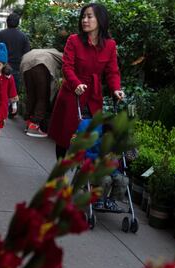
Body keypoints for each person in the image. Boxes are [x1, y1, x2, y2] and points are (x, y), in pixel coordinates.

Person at [48, 3, 125, 160]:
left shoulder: (110, 45)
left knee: (91, 135)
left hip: (93, 97)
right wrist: (76, 83)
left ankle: (85, 176)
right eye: (83, 16)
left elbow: (112, 71)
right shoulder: (74, 41)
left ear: (100, 20)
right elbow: (67, 67)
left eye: (89, 16)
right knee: (65, 137)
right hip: (72, 94)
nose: (85, 20)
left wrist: (116, 88)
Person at [0, 13, 30, 117]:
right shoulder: (23, 37)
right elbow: (27, 54)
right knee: (13, 89)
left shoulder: (0, 35)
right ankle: (12, 110)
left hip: (1, 66)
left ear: (7, 22)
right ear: (18, 23)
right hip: (16, 68)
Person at [20, 49, 63, 138]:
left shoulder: (50, 51)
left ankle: (28, 121)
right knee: (42, 97)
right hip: (41, 64)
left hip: (26, 62)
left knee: (31, 95)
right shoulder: (62, 56)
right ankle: (34, 125)